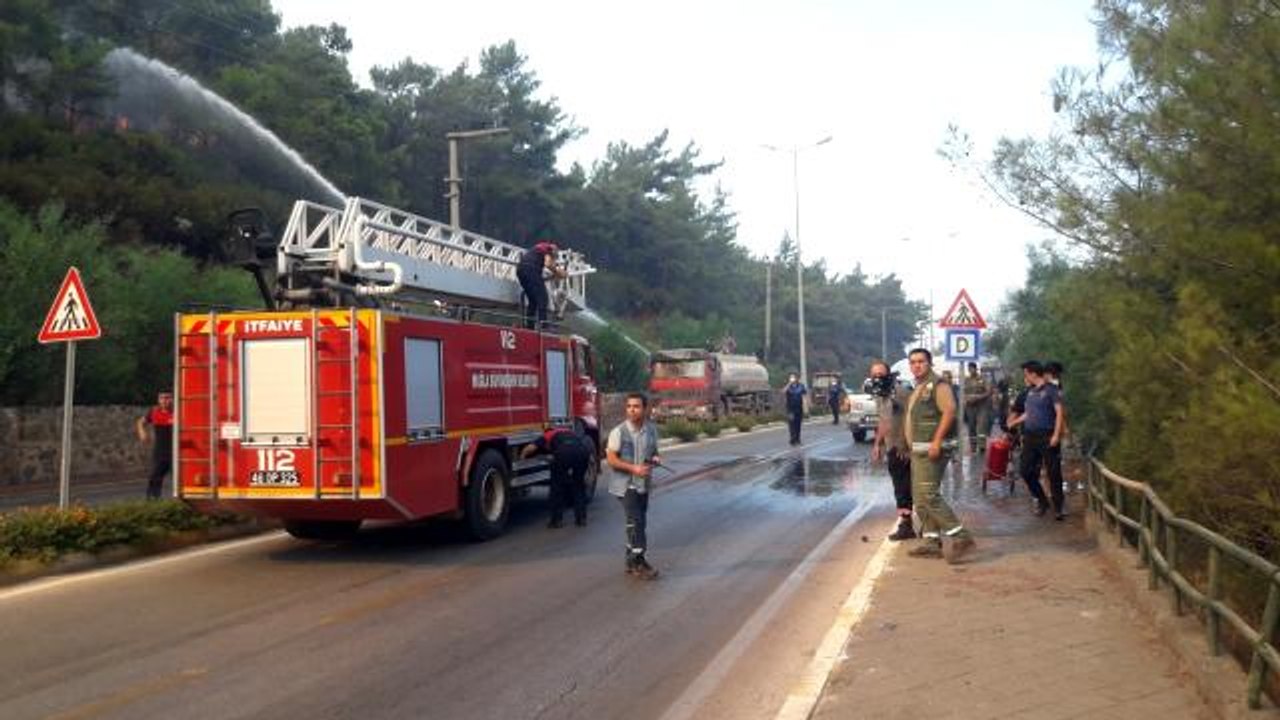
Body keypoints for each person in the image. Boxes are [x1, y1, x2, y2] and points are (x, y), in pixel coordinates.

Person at [904, 348, 975, 563]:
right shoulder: (918, 387)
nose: (916, 365)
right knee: (920, 499)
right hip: (919, 450)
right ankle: (931, 542)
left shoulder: (939, 385)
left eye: (921, 361)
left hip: (932, 449)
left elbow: (949, 411)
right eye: (913, 362)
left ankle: (961, 536)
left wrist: (936, 441)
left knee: (929, 495)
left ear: (930, 363)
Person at [606, 393, 662, 580]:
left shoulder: (651, 431)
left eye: (636, 406)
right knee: (637, 522)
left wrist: (655, 459)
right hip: (625, 485)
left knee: (638, 522)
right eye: (629, 406)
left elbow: (654, 452)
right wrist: (633, 468)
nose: (632, 410)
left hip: (643, 484)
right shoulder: (618, 432)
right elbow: (611, 459)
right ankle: (639, 562)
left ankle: (630, 562)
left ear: (645, 409)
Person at [1008, 360, 1066, 519]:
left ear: (1033, 374)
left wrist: (1056, 435)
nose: (1025, 377)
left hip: (1047, 435)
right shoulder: (1030, 392)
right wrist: (1015, 421)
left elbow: (1059, 412)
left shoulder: (1051, 390)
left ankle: (1059, 507)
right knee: (1025, 471)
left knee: (1053, 472)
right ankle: (1042, 500)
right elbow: (1029, 413)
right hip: (1030, 436)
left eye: (1026, 374)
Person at [869, 360, 915, 540]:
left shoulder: (902, 392)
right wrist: (877, 444)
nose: (877, 378)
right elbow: (883, 421)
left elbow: (913, 418)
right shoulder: (880, 395)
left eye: (881, 374)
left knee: (912, 487)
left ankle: (927, 528)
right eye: (874, 375)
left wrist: (905, 443)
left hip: (907, 447)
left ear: (889, 374)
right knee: (900, 488)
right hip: (892, 447)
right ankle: (906, 524)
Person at [521, 426, 591, 528]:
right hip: (582, 453)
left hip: (563, 453)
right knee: (579, 486)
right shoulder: (569, 432)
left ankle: (556, 521)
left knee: (557, 487)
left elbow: (531, 447)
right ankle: (581, 519)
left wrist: (522, 455)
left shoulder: (548, 434)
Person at [516, 240, 567, 329]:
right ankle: (544, 325)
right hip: (530, 270)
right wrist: (559, 272)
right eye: (554, 257)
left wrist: (554, 275)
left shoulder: (537, 252)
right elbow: (548, 264)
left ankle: (530, 326)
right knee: (543, 298)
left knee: (533, 301)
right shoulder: (549, 249)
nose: (554, 259)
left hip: (521, 271)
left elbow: (538, 279)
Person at [135, 391, 174, 500]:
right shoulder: (154, 412)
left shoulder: (178, 412)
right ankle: (153, 498)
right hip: (160, 451)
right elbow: (140, 422)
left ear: (172, 399)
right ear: (158, 400)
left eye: (167, 397)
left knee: (178, 478)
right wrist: (142, 433)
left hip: (176, 451)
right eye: (162, 398)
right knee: (155, 476)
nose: (165, 401)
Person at [962, 361, 993, 452]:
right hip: (970, 406)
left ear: (976, 369)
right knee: (971, 426)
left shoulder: (983, 379)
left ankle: (982, 446)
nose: (971, 371)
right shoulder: (966, 380)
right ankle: (973, 446)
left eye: (972, 369)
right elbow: (962, 392)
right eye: (969, 369)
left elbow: (989, 391)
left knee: (981, 426)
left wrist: (978, 397)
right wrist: (966, 398)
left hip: (981, 406)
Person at [784, 373, 808, 446]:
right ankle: (792, 439)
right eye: (791, 377)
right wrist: (789, 384)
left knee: (798, 424)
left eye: (793, 377)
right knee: (791, 424)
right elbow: (783, 391)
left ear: (797, 378)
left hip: (799, 408)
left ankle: (798, 439)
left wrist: (805, 407)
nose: (792, 379)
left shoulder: (801, 386)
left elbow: (804, 395)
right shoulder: (788, 386)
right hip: (790, 409)